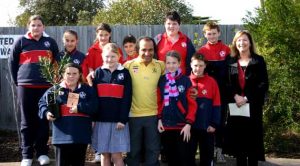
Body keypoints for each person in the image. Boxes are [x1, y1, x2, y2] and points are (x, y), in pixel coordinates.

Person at [9, 15, 59, 166]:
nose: (36, 28)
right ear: (28, 27)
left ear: (43, 27)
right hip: (25, 87)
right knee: (27, 121)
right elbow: (12, 63)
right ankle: (27, 155)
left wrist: (54, 83)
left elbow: (56, 64)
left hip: (47, 88)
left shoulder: (50, 42)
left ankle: (42, 153)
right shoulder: (21, 41)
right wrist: (18, 82)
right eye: (33, 25)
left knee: (44, 120)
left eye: (39, 25)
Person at [223, 30, 269, 166]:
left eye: (244, 40)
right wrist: (235, 96)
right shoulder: (230, 61)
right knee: (239, 143)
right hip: (236, 105)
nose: (241, 43)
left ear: (250, 43)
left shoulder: (258, 60)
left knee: (253, 142)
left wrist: (247, 97)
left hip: (253, 106)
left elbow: (263, 83)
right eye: (239, 40)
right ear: (235, 43)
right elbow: (226, 82)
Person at [38, 63, 98, 166]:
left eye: (74, 73)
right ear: (63, 74)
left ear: (80, 75)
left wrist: (79, 107)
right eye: (68, 73)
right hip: (61, 137)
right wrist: (46, 112)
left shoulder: (87, 90)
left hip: (80, 136)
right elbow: (42, 103)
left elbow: (95, 106)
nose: (71, 76)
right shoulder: (55, 90)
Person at [123, 36, 165, 166]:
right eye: (143, 50)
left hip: (153, 115)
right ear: (137, 50)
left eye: (150, 50)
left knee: (153, 150)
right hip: (133, 115)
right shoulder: (128, 66)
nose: (147, 53)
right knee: (133, 151)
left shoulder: (160, 65)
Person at [90, 43, 132, 166]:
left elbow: (127, 98)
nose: (110, 59)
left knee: (116, 155)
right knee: (104, 154)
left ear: (118, 56)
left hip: (117, 122)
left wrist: (123, 119)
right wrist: (93, 118)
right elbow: (94, 98)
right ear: (102, 56)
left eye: (113, 56)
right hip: (101, 121)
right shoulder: (98, 73)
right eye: (107, 56)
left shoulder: (125, 73)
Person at [196, 21, 231, 163]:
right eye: (209, 34)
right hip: (206, 92)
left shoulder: (226, 50)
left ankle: (219, 150)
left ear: (219, 33)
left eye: (214, 33)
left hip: (222, 91)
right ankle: (206, 150)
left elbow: (231, 71)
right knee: (206, 119)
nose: (212, 36)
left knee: (221, 121)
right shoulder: (201, 52)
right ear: (205, 34)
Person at [157, 50, 197, 166]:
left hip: (182, 126)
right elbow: (159, 102)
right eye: (168, 63)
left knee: (184, 158)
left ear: (179, 63)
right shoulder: (162, 80)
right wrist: (159, 119)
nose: (171, 66)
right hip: (166, 125)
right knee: (170, 158)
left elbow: (192, 104)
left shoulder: (185, 81)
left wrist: (189, 123)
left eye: (174, 63)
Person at [189, 53, 221, 166]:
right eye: (196, 65)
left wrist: (214, 124)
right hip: (190, 127)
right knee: (188, 157)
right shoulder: (186, 81)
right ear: (191, 65)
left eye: (201, 65)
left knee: (207, 157)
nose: (198, 68)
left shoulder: (212, 82)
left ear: (205, 66)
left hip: (207, 127)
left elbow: (217, 105)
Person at [155, 11, 195, 75]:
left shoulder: (186, 41)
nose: (171, 26)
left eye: (174, 23)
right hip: (162, 81)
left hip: (181, 81)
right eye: (169, 23)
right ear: (164, 24)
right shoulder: (158, 40)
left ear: (179, 25)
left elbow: (192, 62)